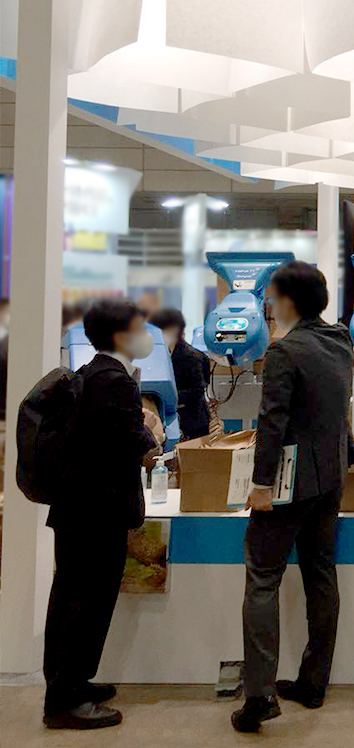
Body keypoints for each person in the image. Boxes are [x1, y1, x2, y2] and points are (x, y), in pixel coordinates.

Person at [233, 262, 354, 733]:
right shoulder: (340, 341)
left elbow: (272, 422)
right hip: (330, 478)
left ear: (287, 301)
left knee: (262, 577)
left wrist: (261, 485)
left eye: (273, 296)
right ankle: (312, 683)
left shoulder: (284, 351)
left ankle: (259, 696)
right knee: (320, 574)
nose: (269, 305)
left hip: (289, 484)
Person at [43, 298, 164, 729]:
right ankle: (63, 701)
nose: (146, 337)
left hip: (80, 509)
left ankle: (73, 684)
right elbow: (128, 443)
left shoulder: (94, 373)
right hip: (96, 512)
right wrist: (150, 432)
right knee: (84, 604)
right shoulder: (113, 380)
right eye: (140, 328)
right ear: (120, 334)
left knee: (74, 599)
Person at [149, 308, 212, 441]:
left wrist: (168, 397)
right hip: (169, 418)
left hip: (192, 422)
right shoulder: (157, 354)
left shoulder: (191, 357)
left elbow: (197, 390)